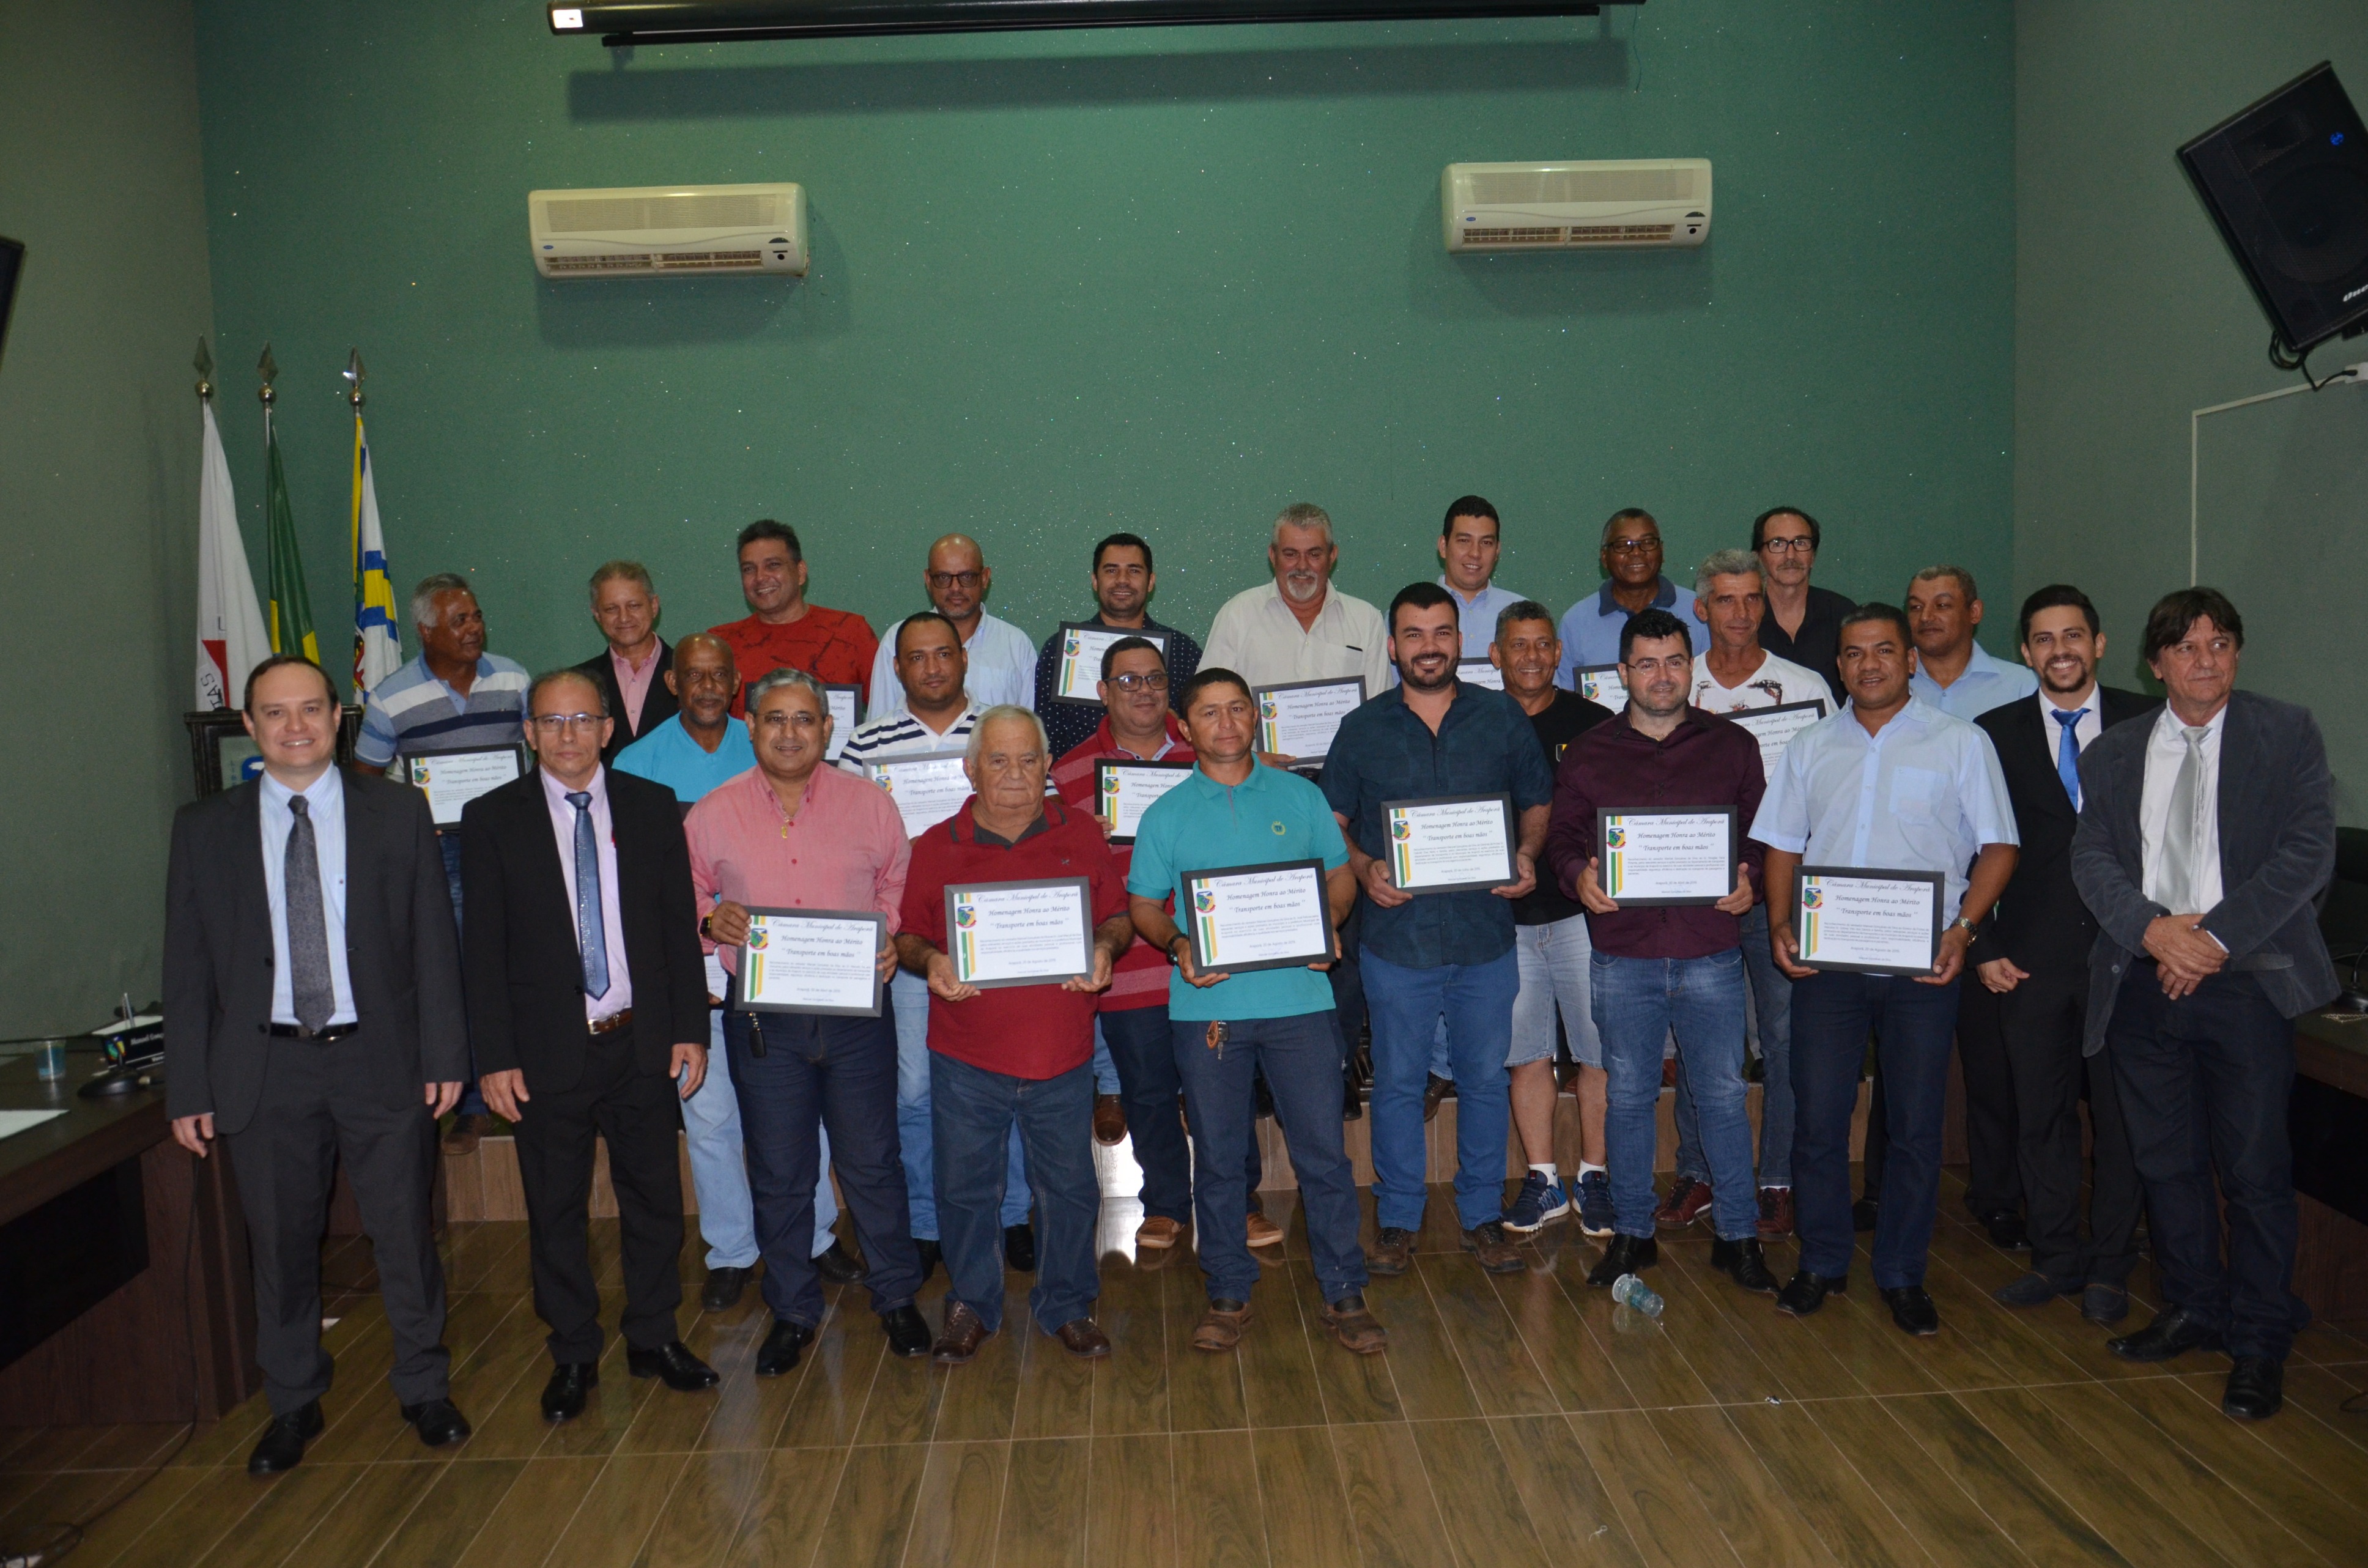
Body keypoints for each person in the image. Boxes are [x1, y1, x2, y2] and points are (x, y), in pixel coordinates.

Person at [165, 655, 472, 1474]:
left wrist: (445, 1052)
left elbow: (433, 943)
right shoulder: (203, 827)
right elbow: (186, 968)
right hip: (265, 1067)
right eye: (275, 713)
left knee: (403, 1234)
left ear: (339, 717)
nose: (294, 726)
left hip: (380, 1057)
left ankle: (424, 1387)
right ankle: (293, 1400)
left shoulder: (397, 811)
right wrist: (188, 1086)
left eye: (310, 709)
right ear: (249, 725)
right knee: (280, 1244)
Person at [2072, 588, 2336, 1422]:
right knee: (2166, 1163)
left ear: (2236, 654)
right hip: (2142, 980)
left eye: (2220, 643)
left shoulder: (2285, 732)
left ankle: (2258, 1339)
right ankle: (2193, 1306)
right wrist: (2155, 932)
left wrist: (2210, 940)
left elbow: (2306, 854)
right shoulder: (2113, 752)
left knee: (2255, 1171)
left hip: (2248, 981)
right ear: (2155, 663)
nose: (2205, 660)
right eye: (2186, 647)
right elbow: (2092, 858)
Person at [461, 670, 718, 1421]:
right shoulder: (492, 818)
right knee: (555, 1207)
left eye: (582, 719)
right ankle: (573, 1350)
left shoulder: (651, 806)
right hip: (544, 1051)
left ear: (607, 729)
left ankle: (653, 1335)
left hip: (639, 1040)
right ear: (529, 733)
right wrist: (493, 1057)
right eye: (551, 721)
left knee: (655, 1200)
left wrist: (689, 1029)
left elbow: (676, 929)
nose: (567, 734)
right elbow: (482, 950)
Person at [1754, 605, 2018, 1336]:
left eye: (1881, 650)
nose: (1866, 664)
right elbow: (1781, 843)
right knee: (1817, 1117)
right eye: (1852, 653)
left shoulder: (1960, 743)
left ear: (1907, 660)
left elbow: (1998, 846)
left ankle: (1902, 1272)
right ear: (1838, 666)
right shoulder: (1808, 745)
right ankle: (1821, 1261)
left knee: (1913, 1125)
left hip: (1921, 965)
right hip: (1828, 964)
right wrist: (1779, 923)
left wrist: (1963, 930)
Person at [1127, 668, 1385, 1355]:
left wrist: (1331, 919)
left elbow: (1338, 871)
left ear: (1255, 716)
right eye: (1209, 712)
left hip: (1301, 1002)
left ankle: (1344, 1289)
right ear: (1186, 727)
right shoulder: (1165, 813)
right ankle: (1227, 1290)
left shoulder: (1301, 795)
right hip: (1208, 1009)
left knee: (1323, 1156)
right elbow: (1143, 905)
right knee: (1217, 1158)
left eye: (1237, 708)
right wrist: (1179, 943)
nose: (1226, 723)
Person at [689, 669, 932, 1374]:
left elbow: (898, 879)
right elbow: (685, 891)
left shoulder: (870, 803)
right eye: (774, 718)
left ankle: (895, 1295)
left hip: (855, 1014)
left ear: (827, 728)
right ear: (751, 727)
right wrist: (708, 919)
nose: (789, 732)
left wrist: (885, 931)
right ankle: (792, 1308)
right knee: (780, 1169)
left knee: (871, 1160)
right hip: (764, 1021)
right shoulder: (712, 812)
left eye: (804, 718)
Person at [613, 632, 863, 1309]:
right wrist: (698, 931)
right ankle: (730, 1250)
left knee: (800, 1116)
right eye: (692, 675)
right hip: (702, 974)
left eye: (718, 675)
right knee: (710, 1115)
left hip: (791, 976)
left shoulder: (778, 755)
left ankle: (815, 1236)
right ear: (673, 683)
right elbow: (649, 886)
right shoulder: (637, 764)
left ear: (736, 688)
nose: (706, 687)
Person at [1322, 582, 1555, 1275]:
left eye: (1442, 632)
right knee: (1398, 1082)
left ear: (1460, 640)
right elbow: (1333, 822)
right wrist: (1363, 867)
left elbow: (1537, 801)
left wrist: (1526, 853)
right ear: (1393, 647)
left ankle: (1481, 1214)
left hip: (1485, 937)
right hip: (1398, 941)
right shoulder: (1361, 727)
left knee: (1483, 1080)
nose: (1429, 647)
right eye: (1414, 634)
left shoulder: (1500, 716)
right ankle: (1397, 1217)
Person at [1548, 609, 1781, 1296]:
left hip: (1710, 950)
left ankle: (1737, 1235)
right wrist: (1578, 877)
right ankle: (1632, 1234)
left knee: (1722, 1095)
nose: (1661, 675)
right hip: (1623, 954)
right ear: (1622, 672)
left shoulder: (1732, 745)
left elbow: (1762, 833)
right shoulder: (1587, 752)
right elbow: (1562, 838)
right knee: (1626, 1096)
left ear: (1691, 667)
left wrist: (1749, 875)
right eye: (1646, 663)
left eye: (1674, 661)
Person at [895, 708, 1133, 1366]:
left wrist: (1103, 948)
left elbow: (1116, 916)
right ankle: (972, 1303)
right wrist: (931, 960)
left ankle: (1069, 1303)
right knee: (964, 1187)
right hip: (966, 1054)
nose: (1014, 773)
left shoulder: (1079, 832)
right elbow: (909, 935)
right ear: (970, 768)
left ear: (1047, 766)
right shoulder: (934, 844)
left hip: (1061, 1051)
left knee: (1069, 1189)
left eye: (1028, 759)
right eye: (997, 760)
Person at [1971, 586, 2155, 1325]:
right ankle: (2054, 1255)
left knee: (2119, 1119)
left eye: (2072, 635)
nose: (2060, 650)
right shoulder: (1992, 732)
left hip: (2127, 957)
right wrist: (1982, 943)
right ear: (2025, 652)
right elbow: (1969, 841)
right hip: (2028, 958)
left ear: (2099, 643)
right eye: (2043, 639)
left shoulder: (2148, 722)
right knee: (2039, 1115)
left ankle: (2109, 1263)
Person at [838, 611, 1036, 1274]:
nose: (931, 667)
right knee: (916, 1090)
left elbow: (1042, 819)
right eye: (917, 657)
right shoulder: (864, 745)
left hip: (1003, 941)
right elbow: (843, 842)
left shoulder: (1003, 730)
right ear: (897, 668)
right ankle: (924, 1223)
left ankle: (1013, 1215)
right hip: (913, 944)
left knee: (1010, 1081)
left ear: (964, 659)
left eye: (944, 654)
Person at [1677, 549, 1837, 1240]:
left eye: (1751, 599)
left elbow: (1831, 789)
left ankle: (1776, 1181)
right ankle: (1698, 1173)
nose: (1740, 612)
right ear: (1701, 608)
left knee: (1782, 1042)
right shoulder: (1677, 683)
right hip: (1700, 900)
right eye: (1726, 599)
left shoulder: (1803, 686)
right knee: (1703, 1044)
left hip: (1780, 896)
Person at [352, 571, 532, 1156]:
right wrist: (412, 819)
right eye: (460, 620)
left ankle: (530, 1091)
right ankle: (475, 1107)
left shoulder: (514, 679)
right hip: (442, 852)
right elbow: (365, 782)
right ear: (426, 631)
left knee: (524, 964)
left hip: (512, 845)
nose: (474, 628)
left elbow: (541, 752)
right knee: (462, 972)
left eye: (476, 616)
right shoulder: (391, 698)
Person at [1896, 564, 2039, 1249]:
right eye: (1916, 606)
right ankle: (1883, 1191)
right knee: (1899, 1057)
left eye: (1943, 603)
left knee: (1992, 1063)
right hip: (1902, 903)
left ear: (1974, 612)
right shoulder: (1886, 683)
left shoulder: (2019, 686)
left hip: (1991, 900)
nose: (1928, 617)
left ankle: (1998, 1194)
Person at [1484, 602, 1615, 1237]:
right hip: (1502, 919)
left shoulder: (1595, 725)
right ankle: (1543, 1180)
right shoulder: (1474, 721)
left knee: (1597, 1051)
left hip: (1581, 916)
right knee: (1526, 1053)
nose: (1531, 656)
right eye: (1518, 645)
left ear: (1559, 653)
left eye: (1542, 644)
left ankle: (1595, 1176)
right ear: (1495, 655)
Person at [1033, 531, 1205, 759]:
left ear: (1150, 581)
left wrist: (1174, 720)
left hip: (1165, 776)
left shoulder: (1183, 650)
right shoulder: (1060, 650)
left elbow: (1202, 730)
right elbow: (1045, 736)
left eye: (1134, 571)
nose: (1122, 580)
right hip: (1079, 778)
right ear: (1095, 581)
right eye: (1111, 570)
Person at [1202, 502, 1392, 698]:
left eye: (1314, 554)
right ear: (1273, 556)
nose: (1302, 566)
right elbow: (1208, 700)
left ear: (1332, 556)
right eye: (1291, 555)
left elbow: (1380, 707)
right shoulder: (1237, 615)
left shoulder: (1366, 621)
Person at [711, 519, 880, 712]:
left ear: (800, 572)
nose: (760, 577)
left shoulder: (850, 632)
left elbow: (888, 707)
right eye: (749, 569)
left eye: (773, 565)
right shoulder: (720, 644)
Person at [866, 534, 1037, 718]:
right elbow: (879, 723)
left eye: (967, 576)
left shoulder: (1016, 645)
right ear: (928, 580)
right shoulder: (897, 640)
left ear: (985, 578)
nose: (955, 588)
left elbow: (1031, 727)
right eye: (943, 577)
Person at [1556, 508, 1701, 687]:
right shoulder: (1575, 622)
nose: (1636, 553)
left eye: (1647, 543)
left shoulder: (1699, 611)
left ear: (1662, 551)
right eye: (1623, 545)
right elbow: (1567, 695)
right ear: (1604, 557)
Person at [571, 560, 675, 763]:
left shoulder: (690, 675)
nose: (624, 618)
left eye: (634, 606)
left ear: (654, 606)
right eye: (611, 609)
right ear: (597, 615)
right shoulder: (577, 684)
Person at [1752, 507, 1855, 700]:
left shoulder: (1843, 614)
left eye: (1801, 543)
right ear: (1758, 558)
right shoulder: (1745, 619)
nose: (1791, 555)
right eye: (1778, 544)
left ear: (1813, 556)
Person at [1437, 496, 1528, 658]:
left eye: (1486, 543)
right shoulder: (1406, 617)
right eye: (1464, 541)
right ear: (1443, 547)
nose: (1475, 553)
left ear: (1497, 551)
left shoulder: (1526, 616)